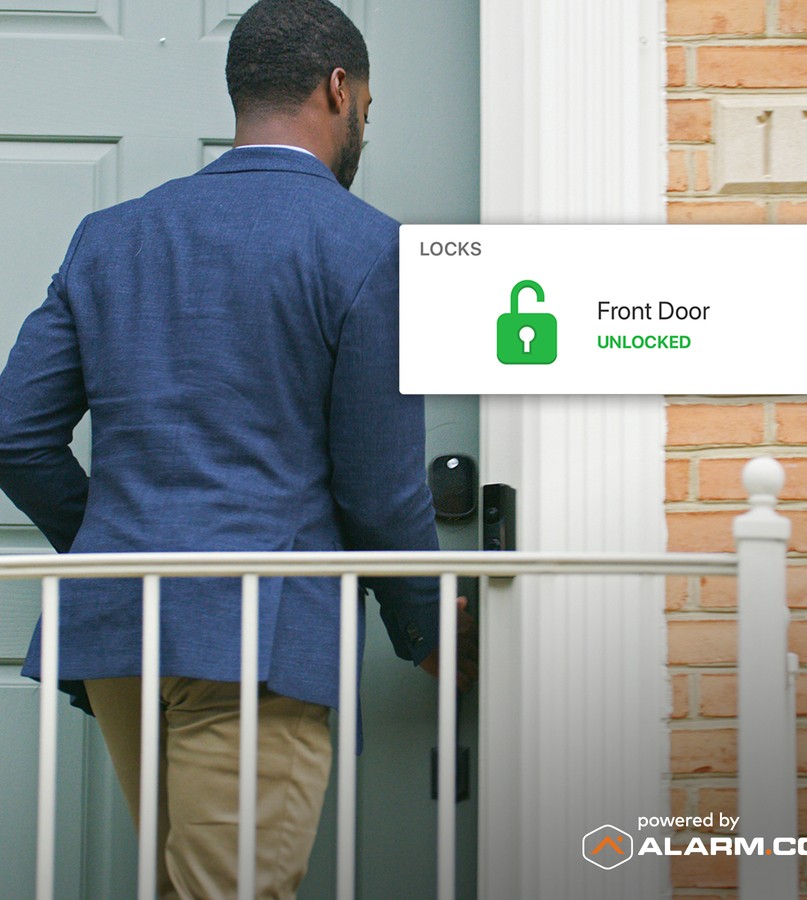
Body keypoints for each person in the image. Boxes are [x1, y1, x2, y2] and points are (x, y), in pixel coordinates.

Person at [0, 0, 477, 895]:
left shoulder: (112, 236)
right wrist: (425, 628)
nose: (364, 123)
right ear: (340, 90)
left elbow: (14, 434)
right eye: (366, 106)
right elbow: (379, 492)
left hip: (121, 639)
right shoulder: (370, 248)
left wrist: (119, 546)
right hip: (259, 638)